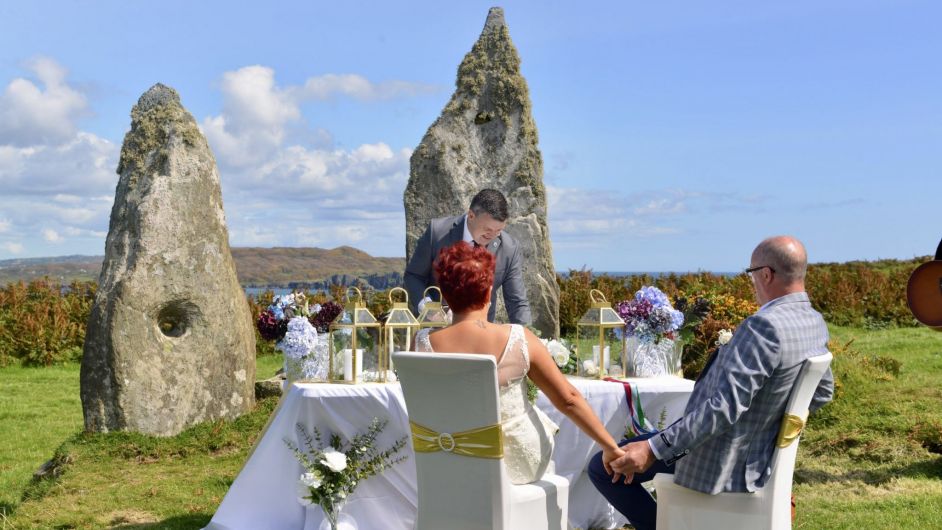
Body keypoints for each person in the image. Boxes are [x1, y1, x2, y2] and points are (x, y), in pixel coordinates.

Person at [587, 235, 834, 530]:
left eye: (751, 273)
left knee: (605, 467)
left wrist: (652, 449)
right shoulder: (812, 319)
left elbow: (723, 409)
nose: (752, 282)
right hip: (755, 453)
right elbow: (822, 393)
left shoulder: (764, 326)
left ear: (766, 274)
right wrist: (767, 428)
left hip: (725, 460)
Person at [414, 241, 623, 484]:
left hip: (446, 460)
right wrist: (611, 447)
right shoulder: (518, 339)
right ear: (488, 290)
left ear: (445, 292)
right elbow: (568, 399)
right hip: (515, 464)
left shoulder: (420, 343)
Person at [405, 188, 531, 325]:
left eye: (499, 230)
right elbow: (413, 276)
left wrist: (525, 337)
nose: (493, 235)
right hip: (436, 328)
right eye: (488, 229)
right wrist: (428, 309)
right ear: (471, 215)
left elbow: (517, 301)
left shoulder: (510, 248)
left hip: (482, 333)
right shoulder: (437, 233)